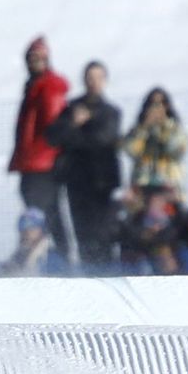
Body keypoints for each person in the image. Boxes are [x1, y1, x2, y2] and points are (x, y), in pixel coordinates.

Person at [45, 61, 122, 269]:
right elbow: (52, 136)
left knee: (103, 231)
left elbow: (101, 140)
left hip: (102, 182)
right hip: (76, 181)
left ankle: (107, 272)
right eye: (90, 77)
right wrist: (74, 123)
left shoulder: (111, 112)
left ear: (105, 80)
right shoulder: (71, 109)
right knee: (82, 231)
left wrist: (74, 135)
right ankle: (88, 273)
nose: (94, 82)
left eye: (98, 77)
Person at [8, 36, 68, 255]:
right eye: (30, 59)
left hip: (42, 163)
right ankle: (52, 255)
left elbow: (54, 124)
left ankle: (41, 255)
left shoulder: (48, 87)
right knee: (45, 214)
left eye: (38, 58)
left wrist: (47, 150)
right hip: (33, 161)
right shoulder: (34, 86)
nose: (33, 63)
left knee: (40, 215)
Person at [123, 87, 188, 198]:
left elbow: (176, 151)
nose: (157, 107)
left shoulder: (176, 129)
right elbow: (131, 151)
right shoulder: (137, 130)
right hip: (143, 186)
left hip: (170, 186)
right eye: (152, 103)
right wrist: (144, 128)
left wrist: (164, 128)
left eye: (161, 103)